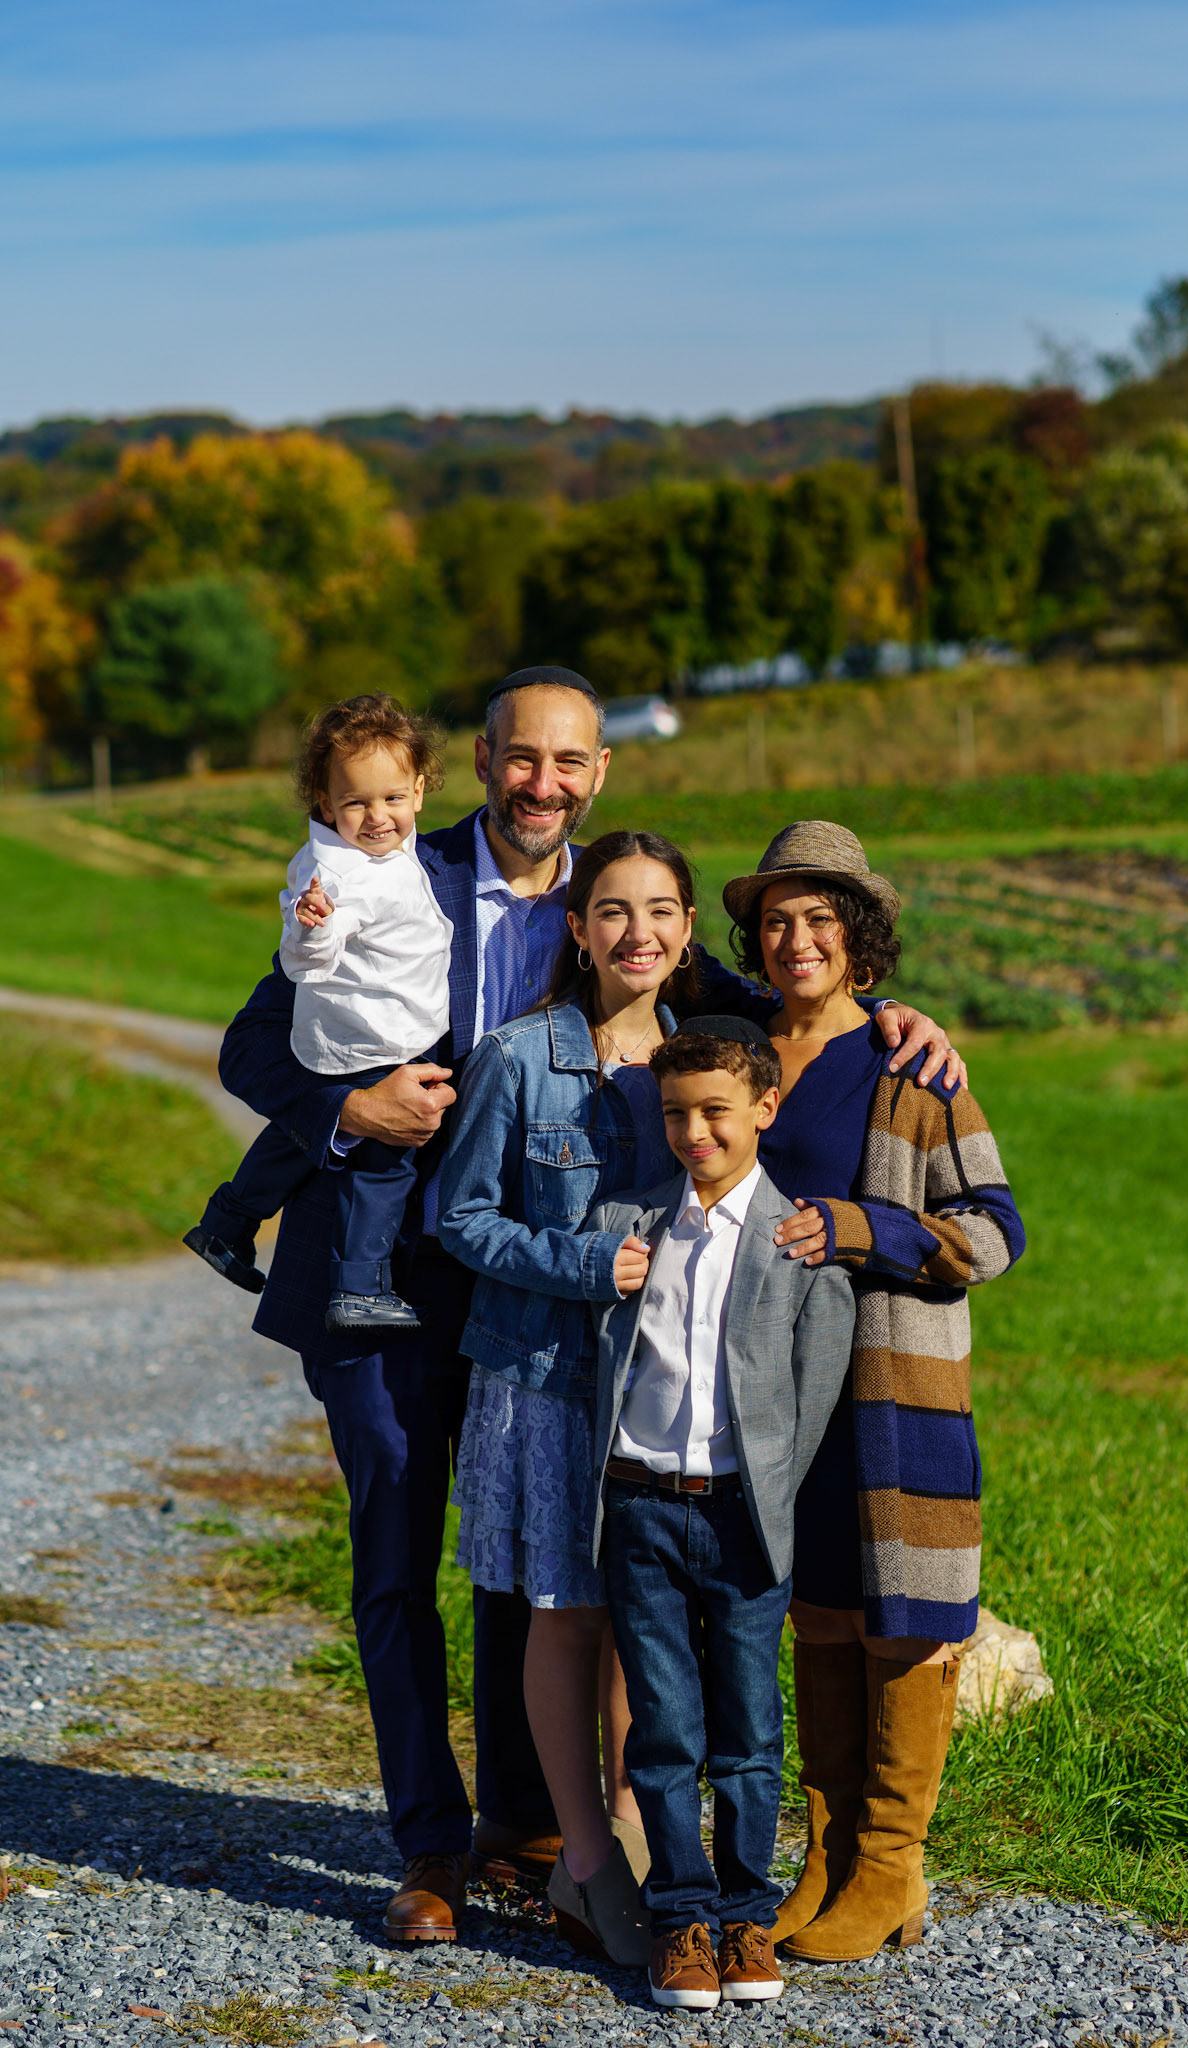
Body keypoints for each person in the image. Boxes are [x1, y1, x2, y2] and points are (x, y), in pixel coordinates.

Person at [216, 668, 960, 1943]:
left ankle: (539, 1825)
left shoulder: (619, 909)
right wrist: (345, 1107)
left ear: (597, 772)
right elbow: (251, 1043)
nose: (542, 784)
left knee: (553, 1567)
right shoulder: (388, 854)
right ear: (483, 759)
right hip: (389, 1269)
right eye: (520, 758)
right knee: (398, 1560)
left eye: (568, 763)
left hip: (555, 1318)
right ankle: (430, 1850)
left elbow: (764, 999)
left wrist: (889, 1017)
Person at [722, 822, 1027, 1963]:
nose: (797, 938)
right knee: (821, 1613)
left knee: (906, 1618)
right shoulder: (734, 1042)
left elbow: (993, 1231)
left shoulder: (910, 1063)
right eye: (777, 919)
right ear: (752, 937)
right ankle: (831, 1850)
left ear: (859, 937)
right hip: (774, 1383)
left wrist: (863, 1230)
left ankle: (892, 1861)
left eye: (821, 918)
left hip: (893, 1383)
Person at [437, 830, 702, 1966]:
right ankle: (585, 1861)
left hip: (665, 1380)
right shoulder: (519, 1055)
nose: (636, 931)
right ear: (577, 929)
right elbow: (460, 1215)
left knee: (646, 1615)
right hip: (544, 1378)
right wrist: (585, 1263)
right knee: (564, 1604)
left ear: (687, 930)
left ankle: (641, 1838)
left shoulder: (707, 1060)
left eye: (659, 910)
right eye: (612, 910)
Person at [587, 1019, 856, 2011]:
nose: (693, 1130)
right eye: (674, 1113)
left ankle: (747, 1912)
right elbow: (606, 1355)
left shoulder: (798, 1243)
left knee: (746, 1732)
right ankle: (682, 1917)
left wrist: (770, 1502)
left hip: (743, 1518)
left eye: (714, 1111)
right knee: (660, 1730)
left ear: (762, 1111)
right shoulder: (632, 1219)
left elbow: (811, 1396)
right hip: (640, 1507)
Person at [186, 696, 452, 1332]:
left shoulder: (383, 856)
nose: (377, 816)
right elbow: (311, 954)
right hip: (382, 1044)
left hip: (343, 1038)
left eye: (391, 798)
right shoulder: (342, 876)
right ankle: (360, 1285)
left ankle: (227, 1222)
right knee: (387, 1164)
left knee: (298, 1137)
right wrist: (313, 927)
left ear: (418, 791)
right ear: (326, 804)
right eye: (357, 803)